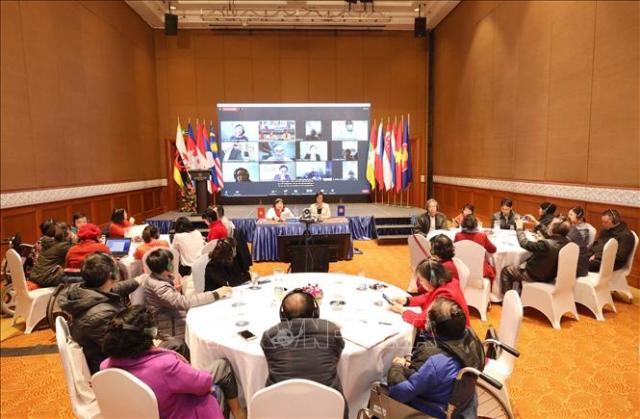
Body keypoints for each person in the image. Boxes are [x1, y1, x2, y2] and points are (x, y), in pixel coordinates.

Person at [101, 306, 246, 419]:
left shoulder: (106, 367)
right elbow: (203, 384)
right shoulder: (164, 366)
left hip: (146, 412)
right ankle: (239, 414)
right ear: (149, 334)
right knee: (222, 367)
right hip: (178, 413)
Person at [387, 298, 484, 418]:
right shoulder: (472, 339)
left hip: (435, 409)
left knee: (380, 386)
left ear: (432, 327)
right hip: (463, 402)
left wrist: (396, 367)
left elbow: (400, 392)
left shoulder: (432, 358)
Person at [58, 252, 143, 373]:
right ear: (111, 275)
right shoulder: (101, 315)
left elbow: (115, 289)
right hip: (110, 368)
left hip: (99, 354)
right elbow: (121, 348)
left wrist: (138, 280)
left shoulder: (84, 291)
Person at [261, 289, 345, 397]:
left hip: (279, 403)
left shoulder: (269, 336)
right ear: (315, 312)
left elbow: (271, 363)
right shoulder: (332, 330)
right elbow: (336, 360)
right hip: (329, 403)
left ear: (282, 316)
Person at [142, 248, 233, 340]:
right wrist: (215, 294)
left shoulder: (156, 279)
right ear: (167, 266)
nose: (174, 264)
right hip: (171, 330)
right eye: (171, 262)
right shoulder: (159, 287)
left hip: (171, 320)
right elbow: (183, 302)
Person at [390, 258, 470, 329]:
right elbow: (427, 296)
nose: (420, 283)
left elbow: (422, 321)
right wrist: (406, 301)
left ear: (431, 281)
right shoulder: (449, 282)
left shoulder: (445, 296)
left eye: (421, 280)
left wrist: (402, 311)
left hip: (450, 336)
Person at [500, 218, 570, 295]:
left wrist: (519, 228)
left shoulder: (545, 244)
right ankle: (521, 292)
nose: (548, 226)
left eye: (550, 225)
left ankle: (508, 298)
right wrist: (536, 223)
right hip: (551, 276)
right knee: (522, 263)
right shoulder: (567, 242)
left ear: (553, 229)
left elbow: (524, 243)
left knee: (506, 271)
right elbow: (550, 235)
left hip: (535, 276)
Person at [454, 215, 497, 281]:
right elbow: (493, 250)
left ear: (462, 224)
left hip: (461, 268)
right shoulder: (482, 236)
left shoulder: (458, 235)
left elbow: (455, 250)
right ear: (476, 224)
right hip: (479, 269)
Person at [30, 221, 73, 287]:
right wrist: (73, 238)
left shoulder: (47, 242)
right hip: (46, 279)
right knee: (77, 278)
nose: (71, 232)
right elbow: (75, 252)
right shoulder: (63, 246)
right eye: (69, 230)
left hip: (35, 275)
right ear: (66, 233)